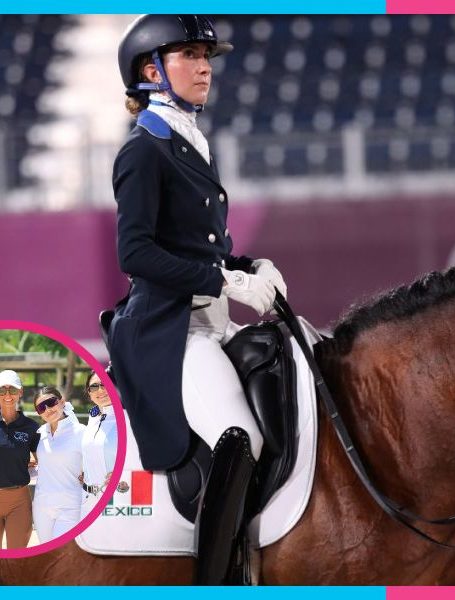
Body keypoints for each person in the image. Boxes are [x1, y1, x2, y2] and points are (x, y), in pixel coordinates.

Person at [110, 14, 287, 583]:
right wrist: (224, 282)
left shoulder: (190, 140)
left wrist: (247, 266)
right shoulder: (143, 151)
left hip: (212, 323)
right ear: (151, 72)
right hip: (170, 330)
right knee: (241, 437)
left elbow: (202, 248)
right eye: (189, 55)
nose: (205, 67)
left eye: (206, 56)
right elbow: (135, 254)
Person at [32, 386, 85, 543]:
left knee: (61, 552)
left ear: (62, 402)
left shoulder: (82, 432)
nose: (48, 409)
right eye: (41, 407)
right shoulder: (39, 434)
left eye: (51, 402)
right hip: (41, 507)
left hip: (70, 506)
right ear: (39, 413)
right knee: (46, 554)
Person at [0, 369, 39, 549]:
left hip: (19, 501)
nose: (7, 395)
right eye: (2, 390)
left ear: (20, 392)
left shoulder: (31, 427)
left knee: (16, 556)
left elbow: (45, 459)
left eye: (13, 390)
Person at [80, 372, 117, 518]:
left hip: (115, 498)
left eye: (106, 384)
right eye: (94, 387)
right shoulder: (93, 417)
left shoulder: (127, 418)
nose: (100, 390)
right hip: (87, 499)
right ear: (89, 393)